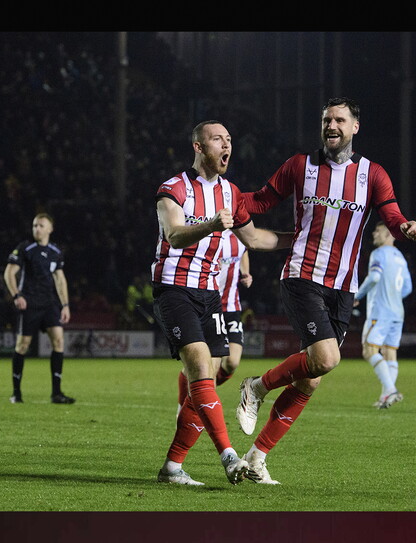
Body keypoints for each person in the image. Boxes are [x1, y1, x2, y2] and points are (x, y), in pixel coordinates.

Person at [234, 97, 416, 484]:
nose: (331, 125)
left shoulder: (373, 174)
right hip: (303, 275)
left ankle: (256, 457)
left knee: (311, 377)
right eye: (326, 120)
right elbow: (261, 200)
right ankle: (255, 386)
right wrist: (225, 199)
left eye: (339, 119)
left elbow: (390, 212)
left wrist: (404, 226)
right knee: (326, 357)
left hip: (343, 286)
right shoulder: (299, 166)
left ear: (355, 126)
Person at [152, 120, 292, 486]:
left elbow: (256, 239)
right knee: (200, 368)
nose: (226, 145)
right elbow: (175, 235)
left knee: (208, 380)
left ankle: (172, 467)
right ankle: (230, 456)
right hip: (174, 288)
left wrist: (301, 240)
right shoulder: (174, 188)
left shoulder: (231, 193)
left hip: (209, 294)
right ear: (199, 147)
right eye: (218, 139)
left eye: (229, 139)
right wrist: (213, 224)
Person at [175, 229, 252, 416]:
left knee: (232, 362)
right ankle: (193, 405)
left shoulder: (241, 236)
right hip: (210, 306)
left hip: (232, 308)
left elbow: (244, 250)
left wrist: (246, 272)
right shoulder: (209, 237)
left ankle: (200, 390)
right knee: (210, 365)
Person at [3, 212, 75, 404]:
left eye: (41, 225)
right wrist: (16, 295)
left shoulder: (55, 251)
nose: (37, 228)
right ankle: (16, 393)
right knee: (23, 346)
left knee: (59, 342)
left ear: (50, 229)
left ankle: (56, 393)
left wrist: (65, 305)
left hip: (50, 303)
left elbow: (60, 279)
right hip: (30, 303)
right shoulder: (26, 248)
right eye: (35, 225)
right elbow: (9, 273)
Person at [353, 221, 413, 408]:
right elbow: (408, 288)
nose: (374, 234)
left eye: (378, 231)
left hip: (380, 311)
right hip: (397, 312)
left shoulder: (378, 254)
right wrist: (394, 298)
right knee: (390, 353)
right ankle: (386, 395)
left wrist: (357, 296)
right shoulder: (401, 258)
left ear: (388, 234)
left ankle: (390, 390)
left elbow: (375, 277)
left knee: (369, 350)